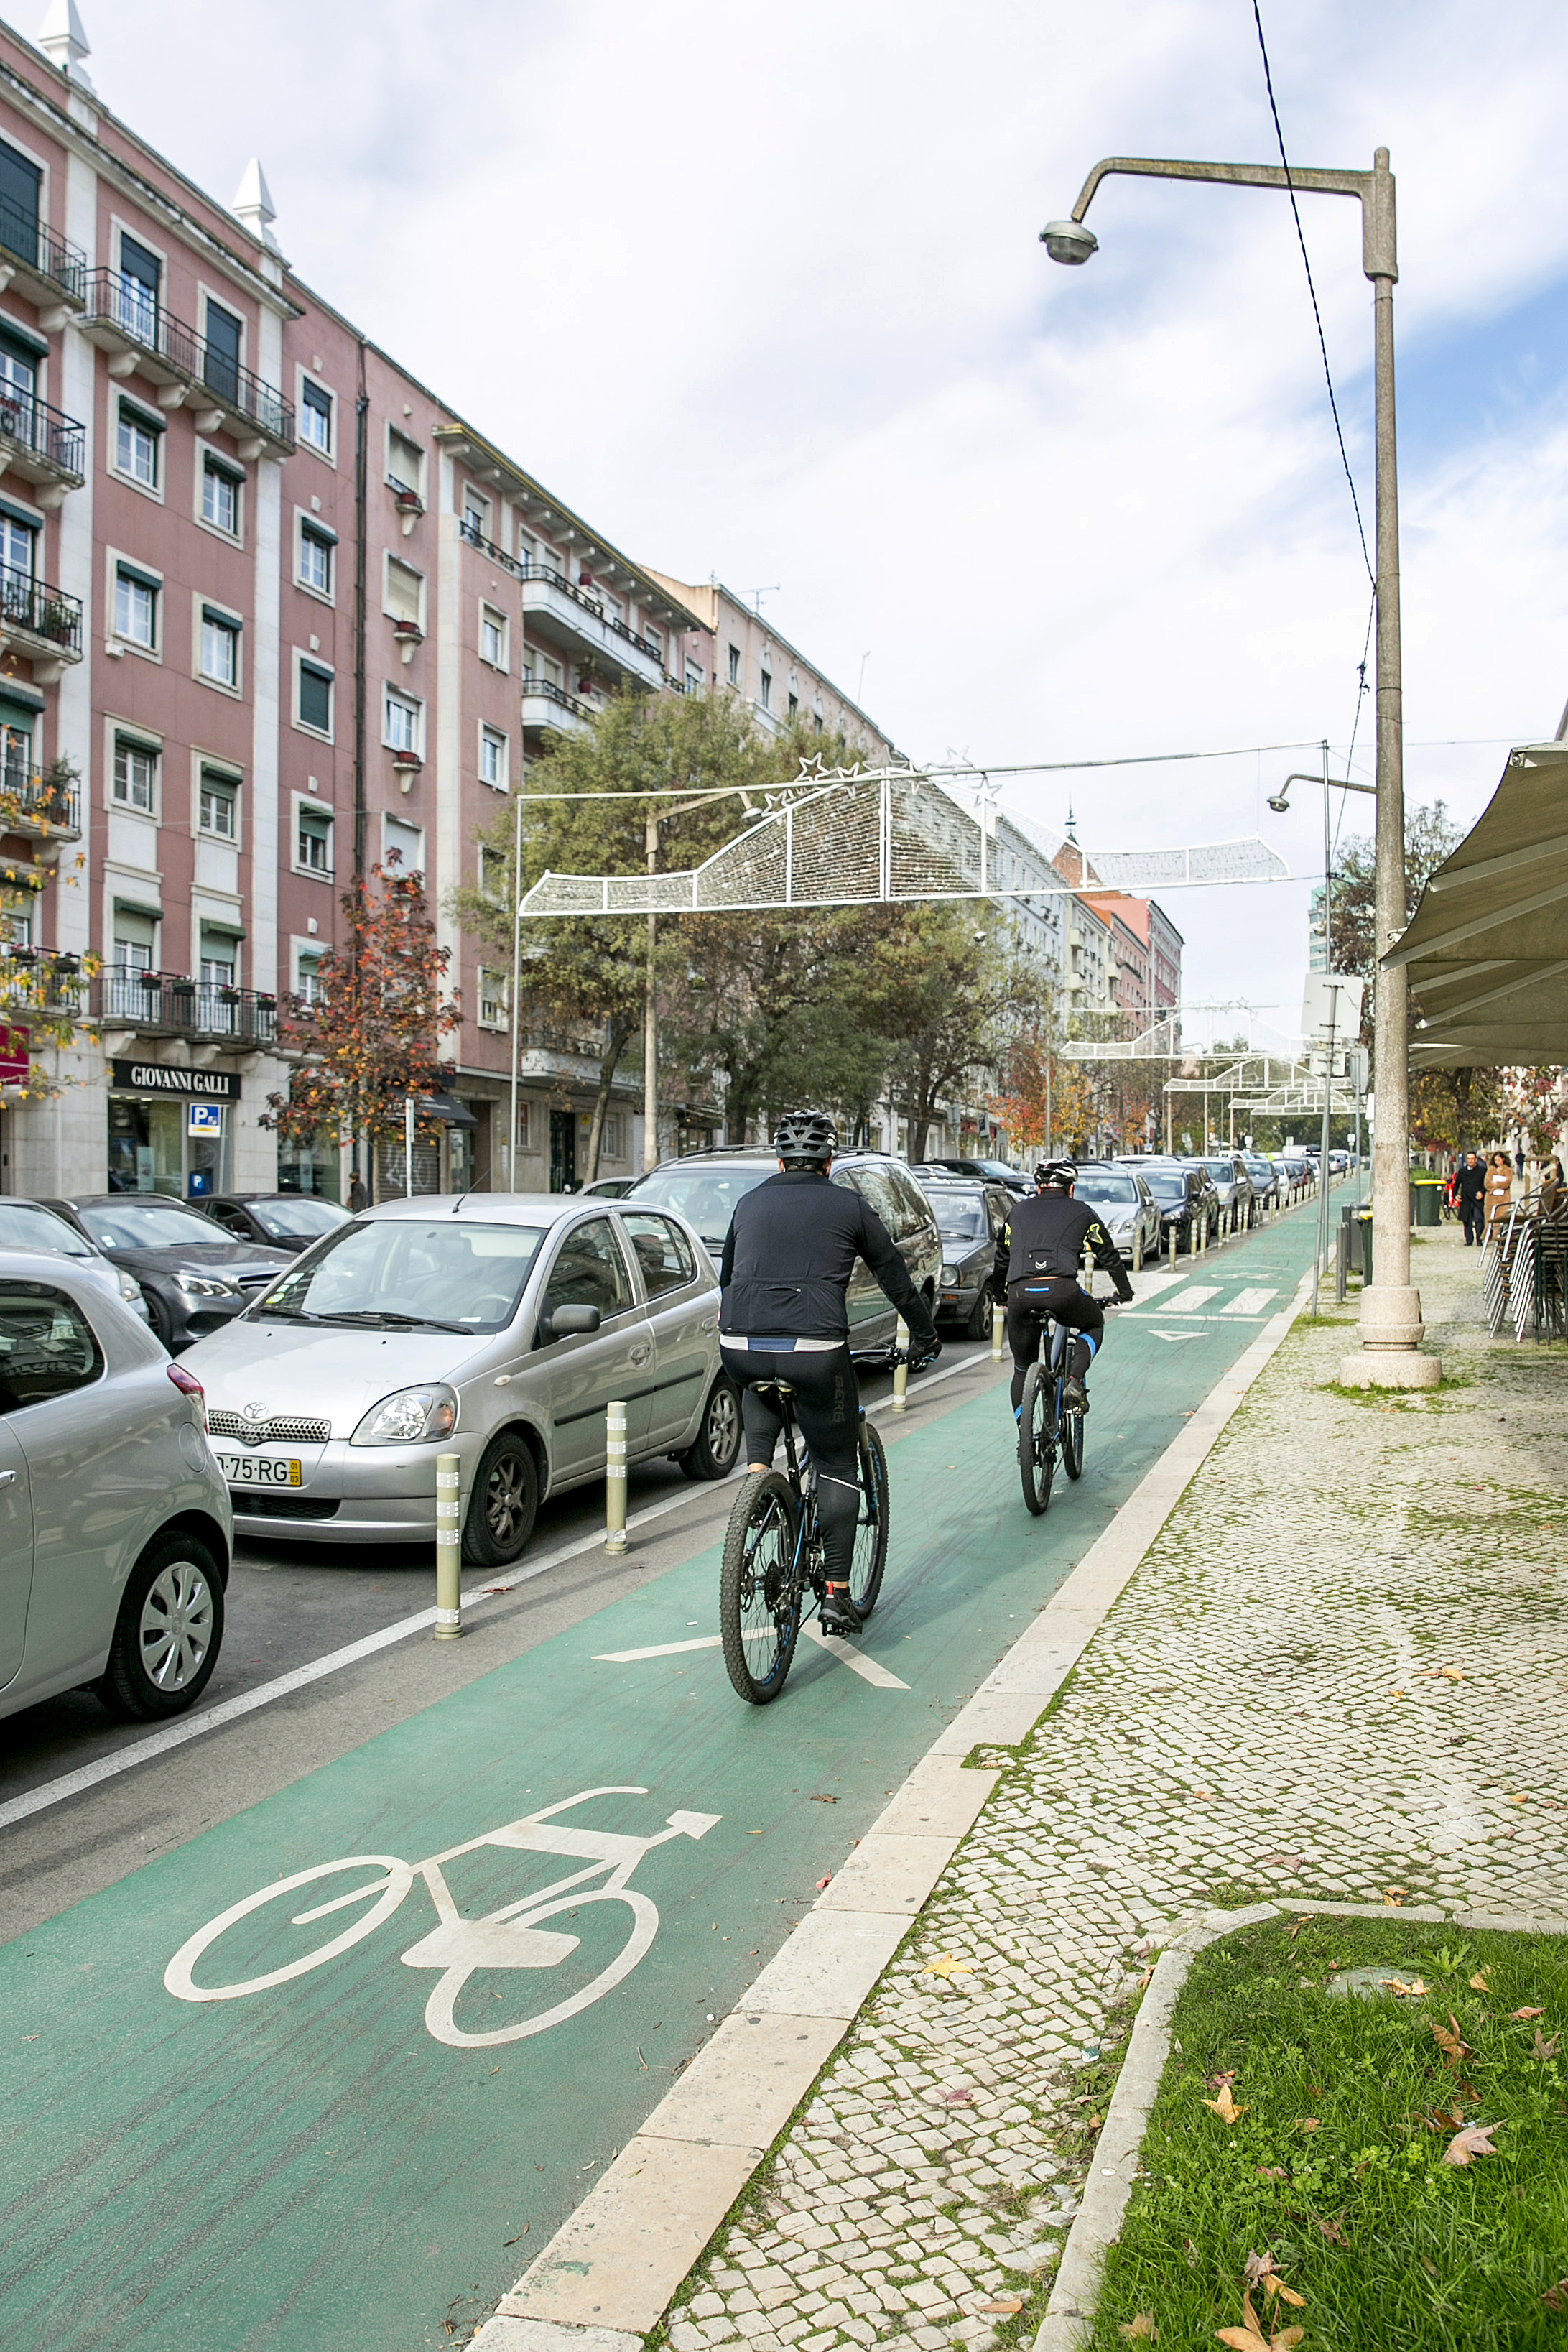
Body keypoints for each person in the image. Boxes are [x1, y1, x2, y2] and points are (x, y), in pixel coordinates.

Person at [718, 1111, 940, 1638]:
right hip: (815, 1351)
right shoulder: (848, 1204)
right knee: (837, 1458)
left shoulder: (748, 1203)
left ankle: (758, 1485)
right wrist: (925, 1335)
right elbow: (895, 1277)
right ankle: (838, 1593)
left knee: (760, 1386)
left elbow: (727, 1276)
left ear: (778, 1162)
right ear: (829, 1163)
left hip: (740, 1347)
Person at [993, 1158, 1133, 1422]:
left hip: (1020, 1294)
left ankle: (1026, 1439)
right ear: (1071, 1189)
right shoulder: (1083, 1212)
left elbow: (1002, 1256)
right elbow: (1108, 1254)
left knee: (1022, 1370)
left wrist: (1000, 1295)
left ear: (1039, 1189)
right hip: (1062, 1290)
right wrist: (1124, 1291)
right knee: (1094, 1324)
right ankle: (1074, 1381)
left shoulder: (1017, 1212)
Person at [1456, 1151, 1485, 1246]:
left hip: (1477, 1200)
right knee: (1467, 1220)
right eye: (1469, 1159)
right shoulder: (1462, 1171)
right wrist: (1456, 1195)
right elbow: (1457, 1184)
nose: (1470, 1161)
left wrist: (1482, 1192)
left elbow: (1486, 1185)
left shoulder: (1482, 1171)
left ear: (1476, 1160)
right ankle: (1469, 1240)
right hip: (1466, 1199)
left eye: (1472, 1159)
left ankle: (1480, 1239)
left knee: (1479, 1220)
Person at [1485, 1149, 1513, 1234]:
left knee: (1501, 1217)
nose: (1497, 1162)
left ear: (1503, 1159)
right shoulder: (1491, 1169)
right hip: (1491, 1198)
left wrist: (1496, 1184)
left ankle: (1498, 1235)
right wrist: (1495, 1186)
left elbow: (1507, 1183)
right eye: (1495, 1160)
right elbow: (1487, 1183)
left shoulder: (1508, 1170)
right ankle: (1488, 1235)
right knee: (1490, 1217)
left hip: (1503, 1198)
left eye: (1499, 1160)